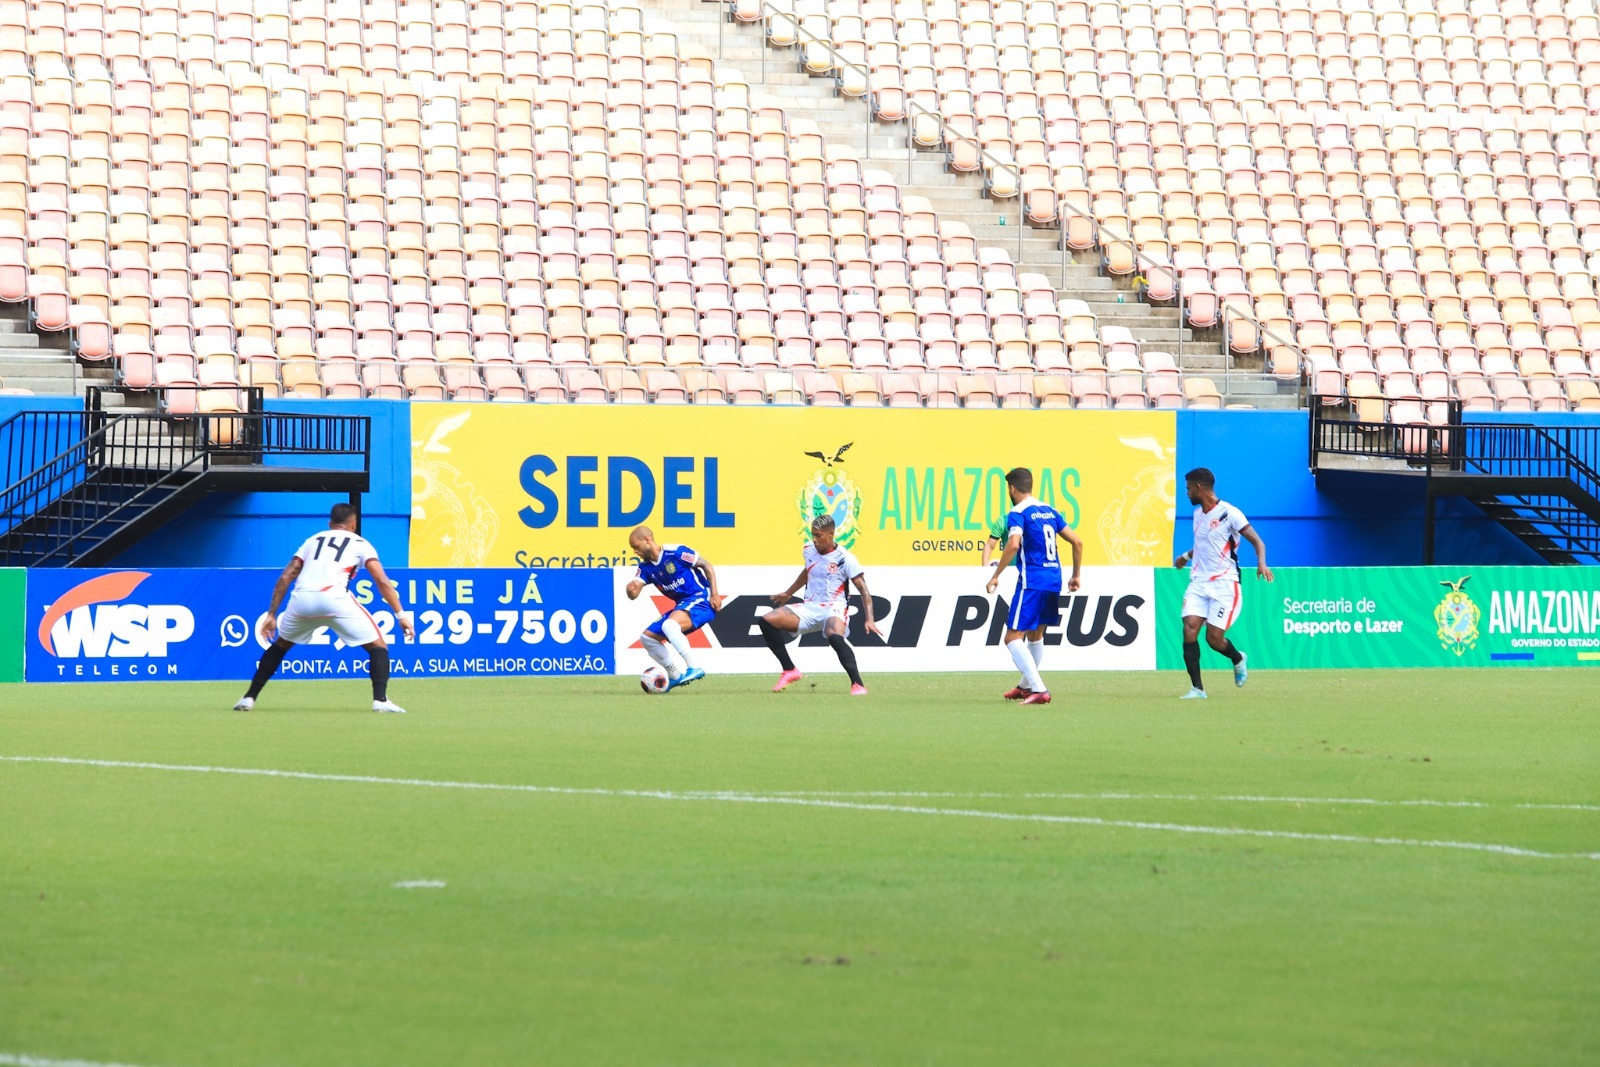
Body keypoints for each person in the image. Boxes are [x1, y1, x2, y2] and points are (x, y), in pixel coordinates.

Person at [234, 503, 414, 713]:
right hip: (335, 599)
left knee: (280, 645)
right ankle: (380, 700)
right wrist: (400, 615)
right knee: (378, 646)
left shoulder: (312, 541)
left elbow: (286, 576)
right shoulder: (360, 543)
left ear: (330, 524)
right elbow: (381, 580)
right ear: (354, 525)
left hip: (302, 600)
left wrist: (272, 614)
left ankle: (249, 698)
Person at [985, 468, 1083, 705]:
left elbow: (1014, 544)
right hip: (1054, 579)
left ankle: (1038, 688)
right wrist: (1076, 575)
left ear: (1011, 488)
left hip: (1032, 581)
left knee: (1011, 637)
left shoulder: (1017, 512)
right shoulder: (1050, 511)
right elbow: (1077, 542)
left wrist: (995, 575)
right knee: (1036, 635)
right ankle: (1025, 686)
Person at [1173, 467, 1273, 699]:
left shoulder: (1230, 513)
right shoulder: (1198, 515)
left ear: (1199, 488)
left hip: (1225, 584)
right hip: (1199, 582)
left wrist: (1262, 563)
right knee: (1189, 630)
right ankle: (1197, 689)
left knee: (1213, 639)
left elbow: (1258, 541)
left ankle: (1238, 658)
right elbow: (1204, 544)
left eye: (1188, 489)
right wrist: (1185, 558)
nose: (1186, 493)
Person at [758, 514, 882, 695]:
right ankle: (790, 670)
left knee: (834, 636)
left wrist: (870, 619)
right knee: (767, 621)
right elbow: (809, 570)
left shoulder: (845, 558)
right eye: (813, 535)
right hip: (810, 606)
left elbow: (864, 590)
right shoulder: (808, 549)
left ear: (831, 534)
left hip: (834, 607)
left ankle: (857, 684)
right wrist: (788, 593)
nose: (814, 540)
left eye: (819, 535)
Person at [625, 525, 722, 690]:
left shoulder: (675, 552)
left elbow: (707, 565)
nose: (635, 551)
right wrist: (631, 589)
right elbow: (634, 593)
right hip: (684, 605)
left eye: (636, 546)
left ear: (647, 540)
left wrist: (714, 594)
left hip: (701, 599)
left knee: (669, 625)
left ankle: (694, 667)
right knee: (647, 638)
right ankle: (675, 676)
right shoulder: (645, 568)